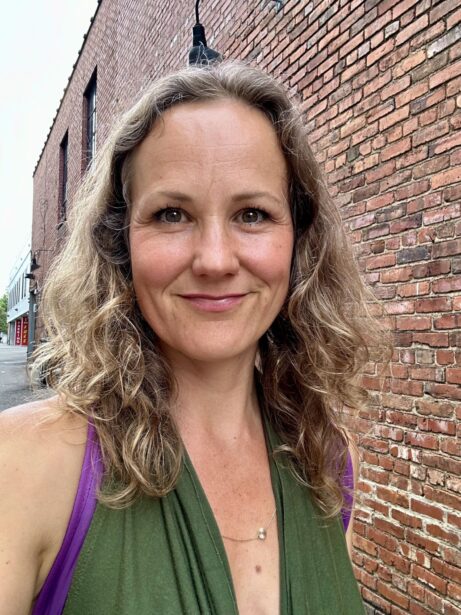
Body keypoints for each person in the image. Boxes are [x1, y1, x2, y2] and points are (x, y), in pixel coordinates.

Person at [0, 61, 385, 615]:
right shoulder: (24, 465)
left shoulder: (328, 461)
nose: (214, 260)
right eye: (172, 214)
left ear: (299, 241)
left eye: (252, 214)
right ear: (120, 242)